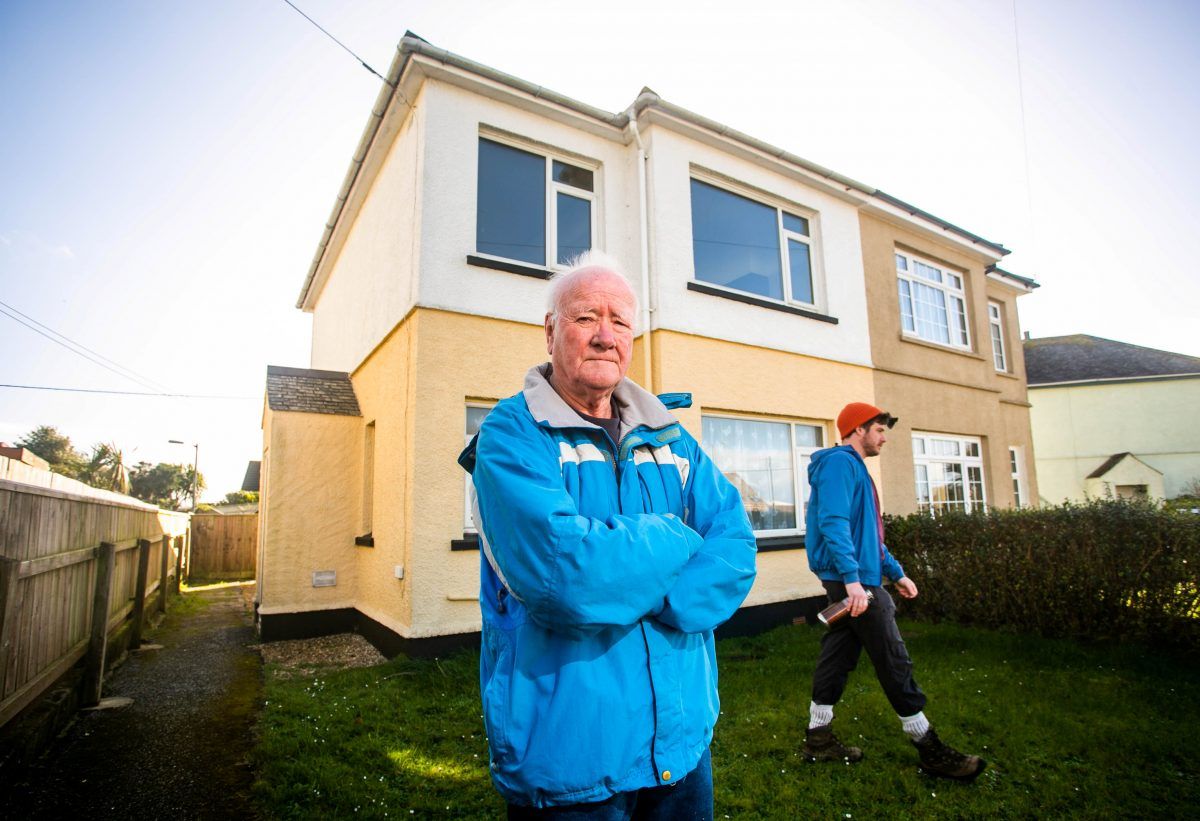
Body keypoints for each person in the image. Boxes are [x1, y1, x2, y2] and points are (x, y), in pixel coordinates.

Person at [459, 251, 757, 818]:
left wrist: (648, 590)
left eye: (620, 322)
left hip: (679, 743)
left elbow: (736, 546)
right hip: (571, 755)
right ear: (550, 332)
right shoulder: (512, 435)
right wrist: (677, 537)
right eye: (585, 317)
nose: (604, 336)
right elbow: (565, 577)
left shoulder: (669, 436)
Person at [802, 402, 986, 781]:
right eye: (879, 430)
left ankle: (818, 739)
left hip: (856, 577)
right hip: (854, 583)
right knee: (892, 657)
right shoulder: (840, 465)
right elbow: (832, 523)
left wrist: (896, 572)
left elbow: (868, 534)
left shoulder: (856, 469)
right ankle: (928, 747)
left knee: (838, 655)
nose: (884, 438)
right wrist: (853, 581)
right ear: (857, 429)